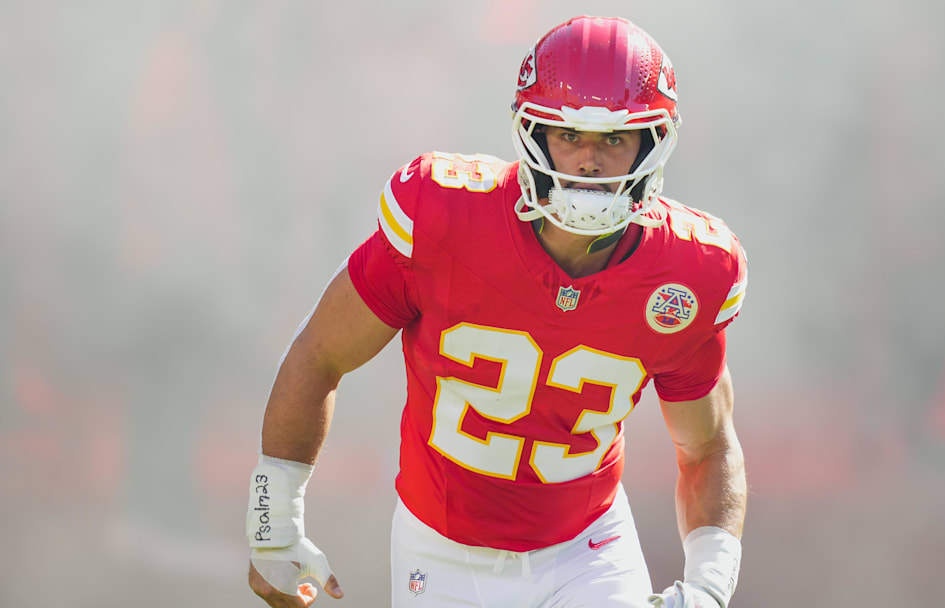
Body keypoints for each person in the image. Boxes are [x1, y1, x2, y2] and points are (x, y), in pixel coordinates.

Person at [246, 15, 749, 608]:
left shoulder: (689, 273)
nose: (589, 161)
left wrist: (711, 586)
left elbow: (708, 447)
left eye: (615, 139)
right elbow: (320, 355)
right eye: (569, 135)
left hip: (589, 548)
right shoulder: (443, 216)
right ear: (532, 136)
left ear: (651, 142)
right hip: (441, 550)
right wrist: (272, 525)